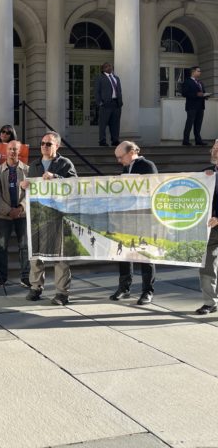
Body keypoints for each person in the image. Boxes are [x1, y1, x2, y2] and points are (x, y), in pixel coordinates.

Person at [23, 132, 77, 305]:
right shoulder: (34, 165)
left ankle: (62, 293)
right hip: (38, 216)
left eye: (48, 144)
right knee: (35, 254)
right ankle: (36, 287)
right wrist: (24, 186)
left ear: (57, 146)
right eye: (42, 143)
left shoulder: (64, 163)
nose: (44, 146)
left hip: (59, 216)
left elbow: (75, 185)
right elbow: (30, 189)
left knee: (60, 255)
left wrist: (56, 178)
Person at [111, 141, 157, 305]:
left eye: (120, 157)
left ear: (131, 152)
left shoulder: (147, 165)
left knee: (145, 255)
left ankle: (147, 291)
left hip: (143, 218)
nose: (119, 161)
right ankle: (124, 287)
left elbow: (153, 189)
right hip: (127, 217)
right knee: (124, 253)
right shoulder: (126, 168)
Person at [0, 141, 30, 288]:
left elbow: (31, 193)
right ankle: (2, 277)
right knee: (2, 247)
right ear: (6, 150)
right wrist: (8, 210)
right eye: (10, 149)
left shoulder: (27, 170)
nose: (12, 152)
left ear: (20, 151)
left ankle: (25, 277)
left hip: (22, 215)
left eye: (15, 149)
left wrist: (21, 208)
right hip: (4, 216)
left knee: (24, 246)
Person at [197, 139, 218, 315]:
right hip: (211, 231)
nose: (214, 151)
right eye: (213, 148)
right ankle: (210, 302)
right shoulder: (206, 173)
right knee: (207, 266)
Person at [94, 62, 122, 147]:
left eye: (110, 66)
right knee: (103, 124)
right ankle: (102, 141)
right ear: (103, 69)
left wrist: (120, 102)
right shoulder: (100, 78)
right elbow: (96, 91)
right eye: (106, 67)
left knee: (115, 123)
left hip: (116, 103)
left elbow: (119, 90)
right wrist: (100, 103)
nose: (109, 68)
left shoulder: (116, 78)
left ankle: (115, 140)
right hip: (105, 104)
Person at [182, 66, 209, 146]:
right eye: (198, 71)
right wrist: (196, 94)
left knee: (198, 124)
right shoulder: (187, 81)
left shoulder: (200, 82)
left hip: (201, 106)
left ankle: (198, 140)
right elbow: (184, 93)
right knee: (189, 123)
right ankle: (185, 141)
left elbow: (202, 93)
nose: (200, 72)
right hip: (191, 106)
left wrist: (205, 95)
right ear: (193, 72)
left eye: (200, 71)